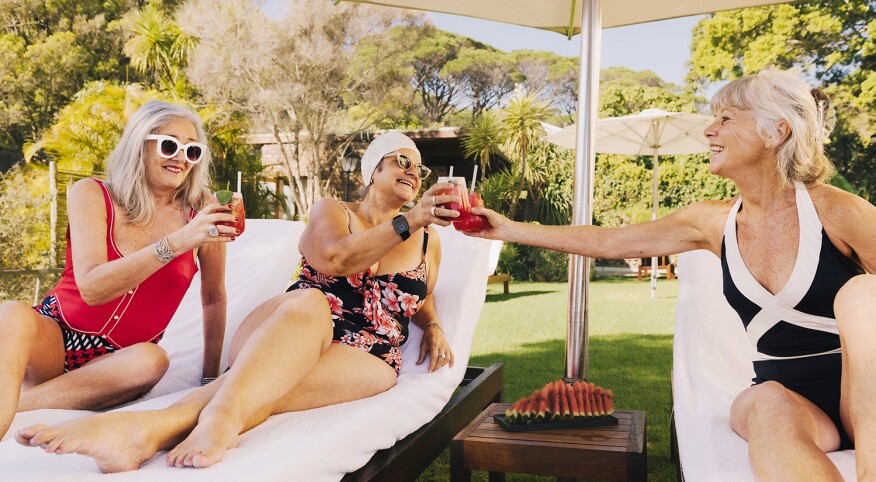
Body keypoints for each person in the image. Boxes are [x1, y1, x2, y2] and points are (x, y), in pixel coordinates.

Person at [466, 70, 876, 481]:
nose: (710, 131)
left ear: (776, 132)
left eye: (726, 119)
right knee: (765, 401)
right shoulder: (711, 222)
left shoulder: (837, 210)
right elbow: (611, 242)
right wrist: (503, 228)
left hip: (861, 393)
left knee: (863, 294)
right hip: (791, 402)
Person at [15, 132, 460, 472]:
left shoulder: (429, 241)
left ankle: (145, 430)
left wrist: (435, 323)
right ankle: (220, 420)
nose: (413, 172)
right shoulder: (334, 211)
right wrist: (410, 219)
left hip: (367, 352)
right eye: (402, 160)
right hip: (290, 326)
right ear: (373, 170)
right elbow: (336, 258)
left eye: (420, 169)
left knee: (267, 386)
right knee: (312, 303)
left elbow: (416, 295)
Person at [0, 101, 236, 440]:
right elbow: (92, 288)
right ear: (140, 144)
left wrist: (210, 379)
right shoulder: (93, 194)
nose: (181, 157)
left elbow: (213, 298)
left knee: (152, 360)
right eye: (170, 145)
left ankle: (18, 403)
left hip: (120, 364)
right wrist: (177, 242)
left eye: (192, 150)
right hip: (56, 334)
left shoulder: (203, 214)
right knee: (11, 313)